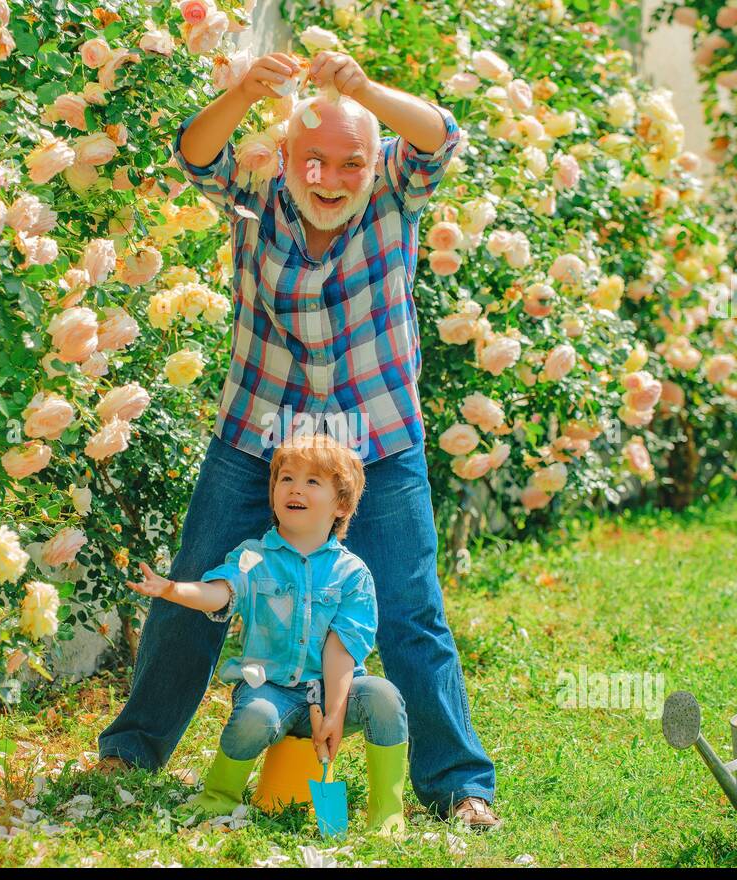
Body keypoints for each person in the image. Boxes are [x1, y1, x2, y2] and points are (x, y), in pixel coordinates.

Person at [99, 48, 498, 827]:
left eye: (350, 162)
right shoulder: (254, 189)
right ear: (284, 158)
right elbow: (194, 151)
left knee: (412, 608)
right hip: (261, 429)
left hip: (374, 436)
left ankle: (460, 784)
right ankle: (134, 746)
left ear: (370, 161)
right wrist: (246, 90)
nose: (331, 177)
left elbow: (441, 137)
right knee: (197, 587)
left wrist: (366, 92)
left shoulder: (390, 187)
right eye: (312, 159)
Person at [127, 434, 408, 833]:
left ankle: (387, 815)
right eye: (286, 479)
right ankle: (218, 796)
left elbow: (341, 648)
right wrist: (173, 589)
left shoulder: (352, 575)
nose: (295, 487)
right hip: (270, 688)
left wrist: (334, 714)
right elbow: (220, 591)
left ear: (341, 504)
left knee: (384, 697)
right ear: (274, 493)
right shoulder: (253, 555)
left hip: (330, 688)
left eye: (313, 482)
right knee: (255, 716)